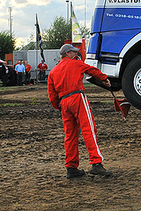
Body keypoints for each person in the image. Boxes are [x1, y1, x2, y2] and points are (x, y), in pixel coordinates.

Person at [47, 44, 113, 179]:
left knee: (70, 135)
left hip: (64, 103)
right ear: (68, 53)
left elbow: (52, 95)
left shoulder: (53, 71)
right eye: (73, 52)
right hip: (77, 98)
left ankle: (71, 167)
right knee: (88, 129)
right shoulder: (76, 64)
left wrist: (59, 106)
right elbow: (92, 70)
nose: (75, 54)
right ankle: (96, 163)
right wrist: (104, 79)